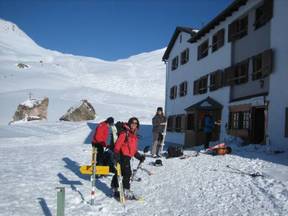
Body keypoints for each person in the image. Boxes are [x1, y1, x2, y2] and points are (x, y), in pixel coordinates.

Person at [111, 117, 145, 200]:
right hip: (122, 156)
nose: (134, 124)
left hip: (127, 157)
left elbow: (133, 149)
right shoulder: (124, 133)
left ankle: (115, 188)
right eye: (132, 122)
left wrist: (139, 156)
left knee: (120, 173)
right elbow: (118, 145)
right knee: (127, 173)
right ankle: (125, 190)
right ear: (129, 123)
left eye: (136, 123)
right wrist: (116, 155)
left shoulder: (133, 135)